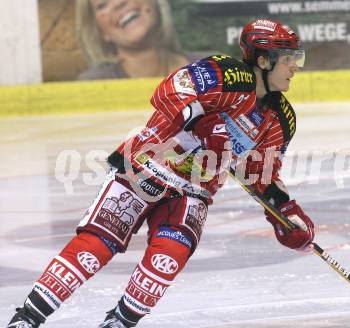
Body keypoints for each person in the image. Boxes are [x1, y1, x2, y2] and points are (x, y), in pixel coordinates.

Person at [7, 18, 315, 328]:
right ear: (263, 60)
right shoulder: (227, 73)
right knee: (96, 245)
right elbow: (170, 90)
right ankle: (27, 319)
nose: (295, 67)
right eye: (289, 59)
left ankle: (118, 323)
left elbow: (261, 172)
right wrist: (201, 122)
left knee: (169, 255)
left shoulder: (280, 119)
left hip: (193, 191)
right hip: (144, 167)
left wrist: (286, 212)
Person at [76, 0, 189, 80]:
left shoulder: (205, 66)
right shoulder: (93, 85)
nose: (118, 3)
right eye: (102, 5)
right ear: (100, 32)